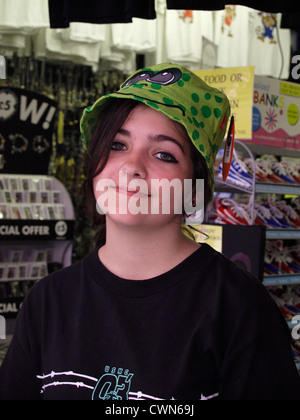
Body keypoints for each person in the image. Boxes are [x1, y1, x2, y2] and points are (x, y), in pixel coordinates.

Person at [0, 63, 300, 400]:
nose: (132, 166)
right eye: (117, 145)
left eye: (163, 154)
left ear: (194, 188)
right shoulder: (47, 302)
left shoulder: (239, 310)